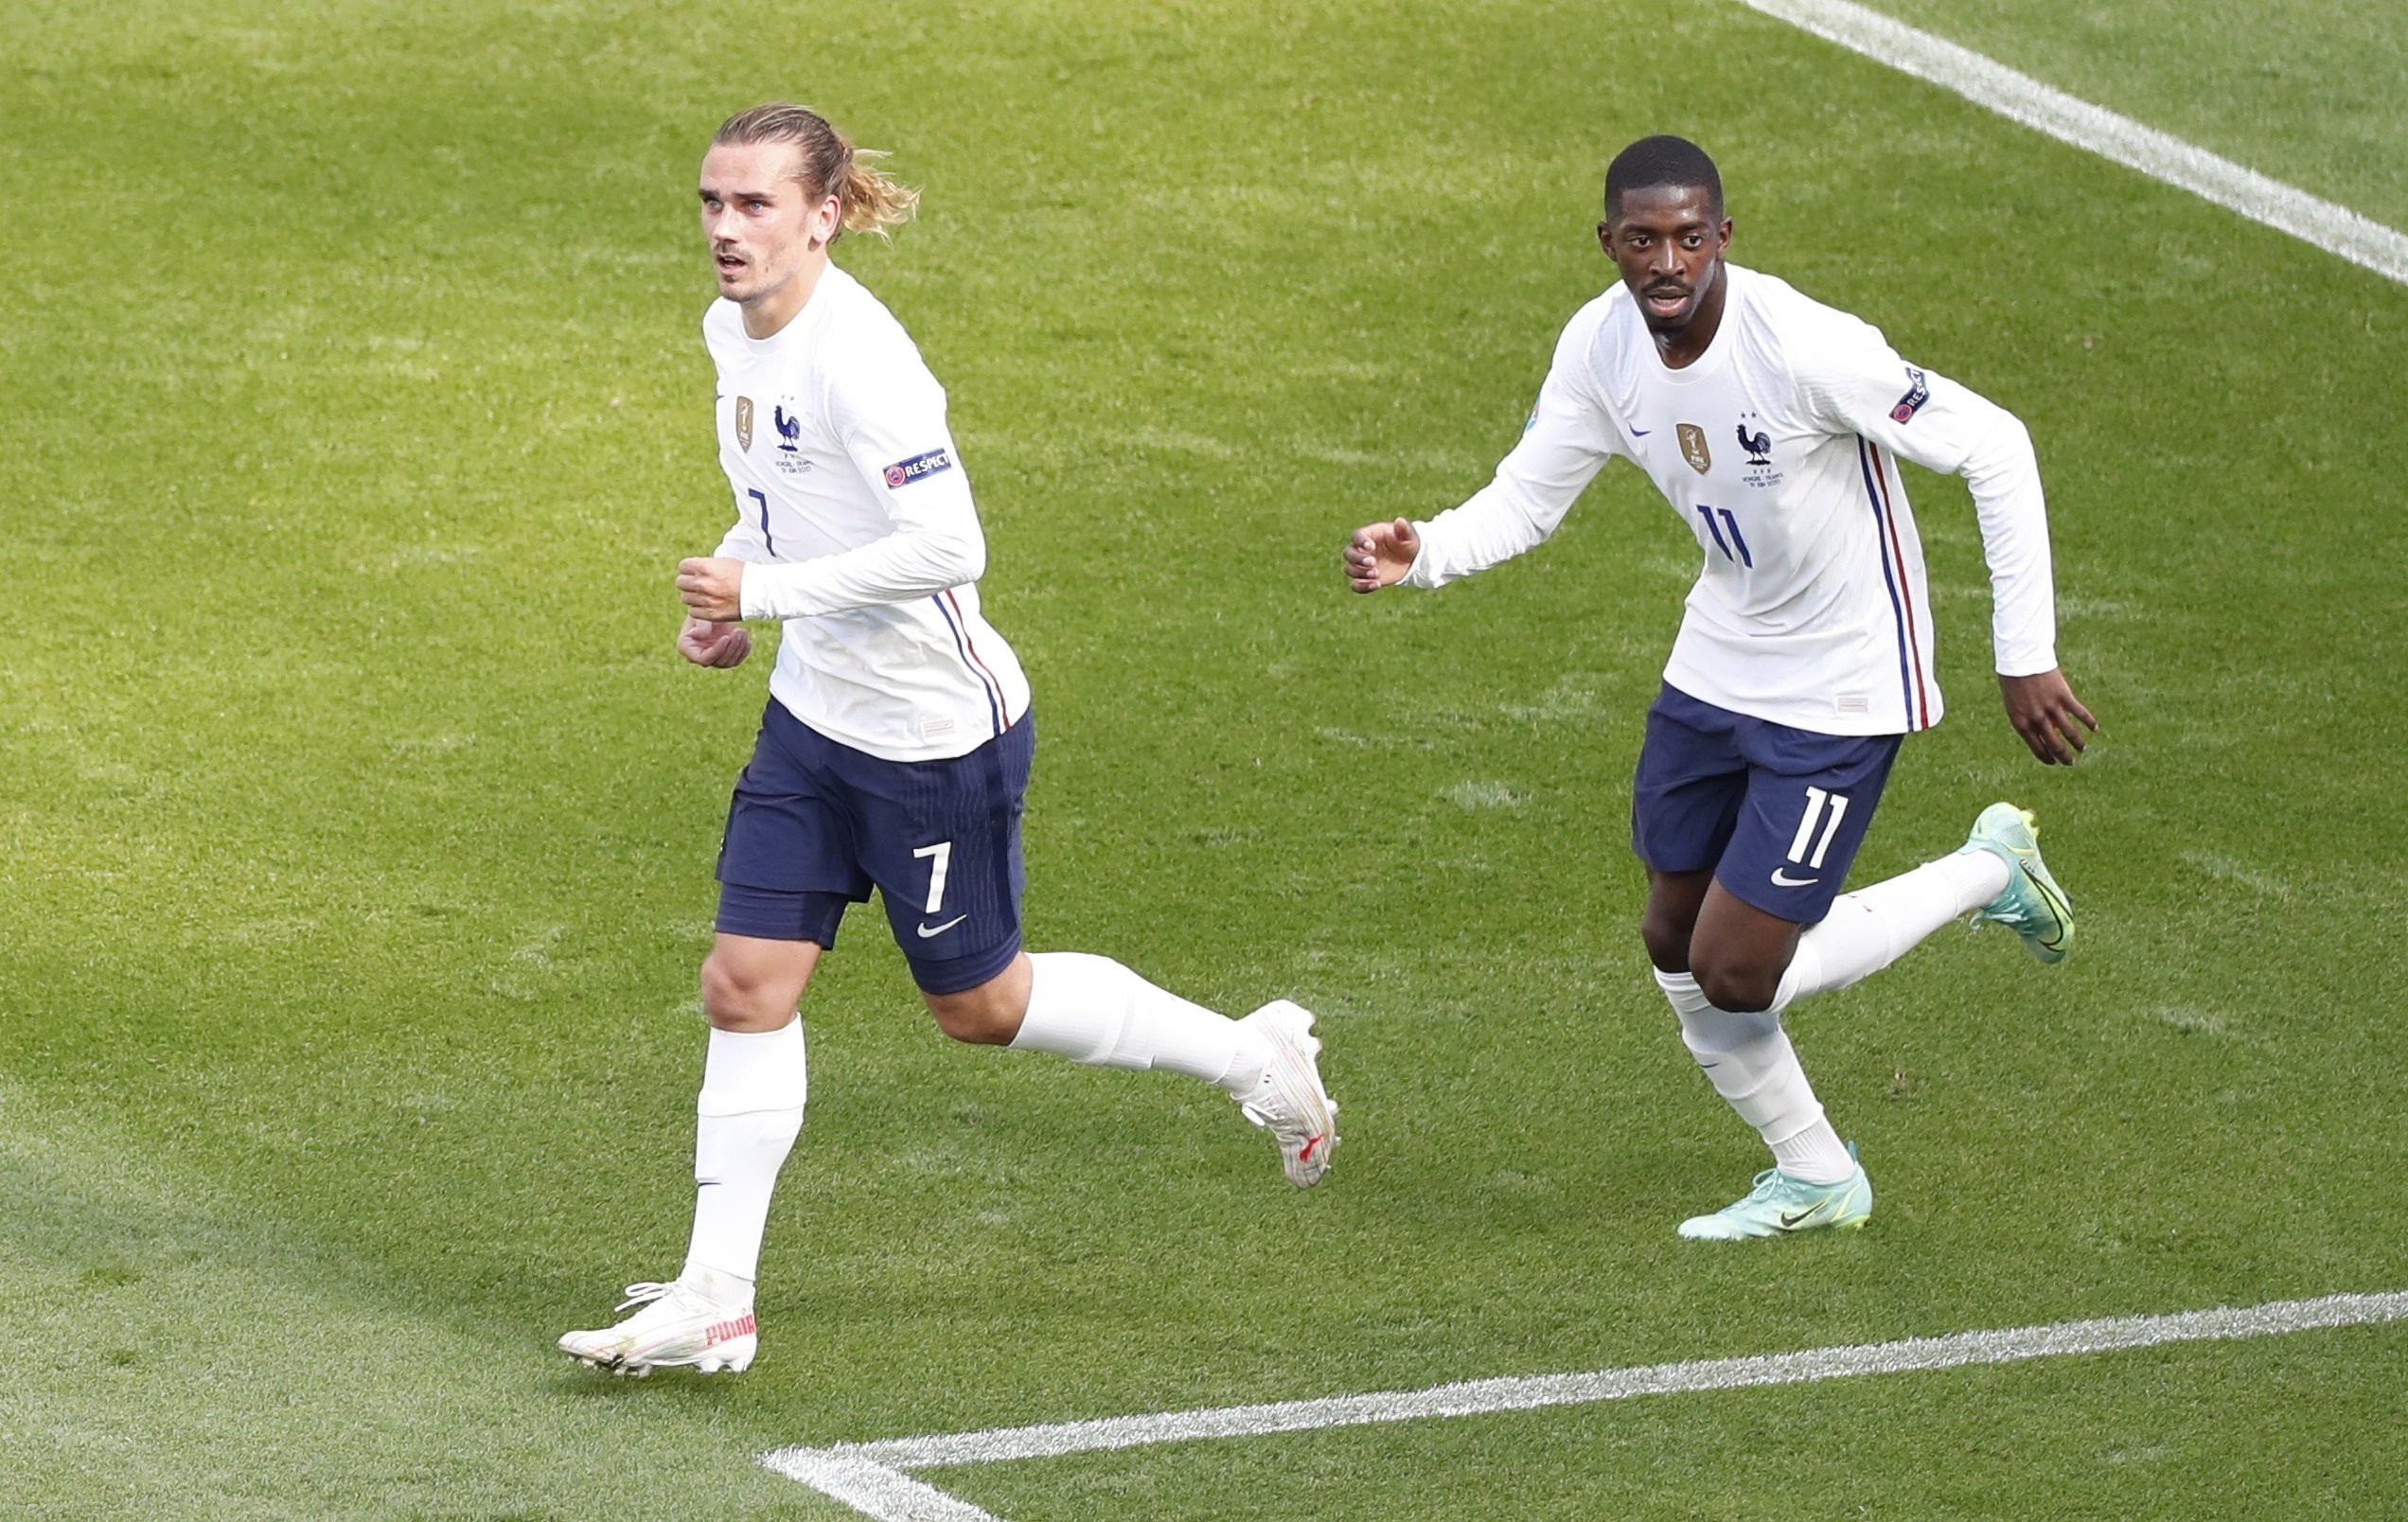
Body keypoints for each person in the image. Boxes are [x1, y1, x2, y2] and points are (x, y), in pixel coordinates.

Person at [560, 104, 1337, 1375]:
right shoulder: (730, 331)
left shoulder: (863, 362)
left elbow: (949, 548)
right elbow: (786, 501)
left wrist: (760, 596)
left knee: (982, 1006)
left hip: (932, 740)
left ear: (822, 215)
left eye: (754, 205)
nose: (724, 229)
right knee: (743, 983)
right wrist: (744, 594)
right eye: (711, 202)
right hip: (814, 722)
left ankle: (1253, 1054)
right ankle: (718, 1294)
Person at [1343, 135, 2094, 1240]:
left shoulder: (1803, 345)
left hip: (1843, 681)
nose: (1667, 261)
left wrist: (2023, 652)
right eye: (1642, 240)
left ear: (1724, 239)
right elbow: (1530, 498)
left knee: (1737, 971)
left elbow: (1996, 445)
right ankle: (1818, 1175)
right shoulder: (1600, 348)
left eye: (1690, 237)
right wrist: (1430, 551)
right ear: (1607, 244)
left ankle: (1991, 869)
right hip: (1720, 655)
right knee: (1671, 937)